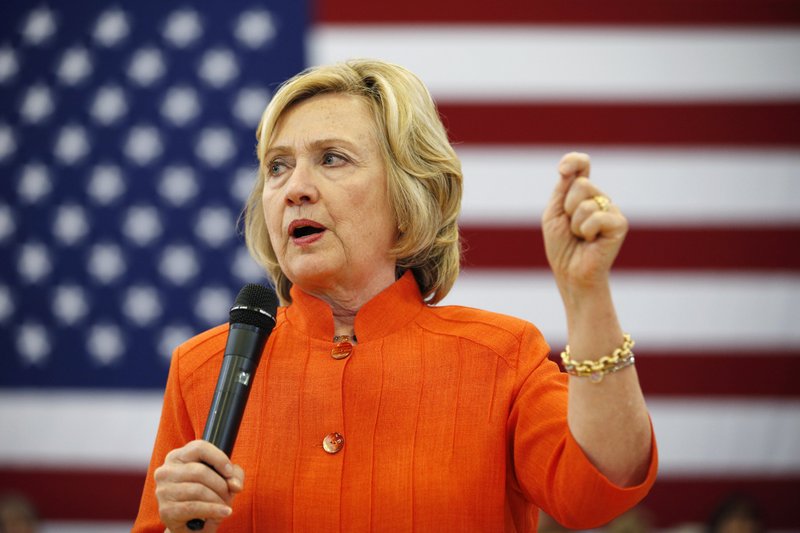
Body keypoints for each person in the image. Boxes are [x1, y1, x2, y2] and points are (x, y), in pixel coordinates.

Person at [133, 59, 657, 532]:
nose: (295, 187)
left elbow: (600, 488)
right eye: (277, 165)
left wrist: (586, 294)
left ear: (410, 192)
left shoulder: (501, 357)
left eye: (332, 158)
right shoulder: (200, 368)